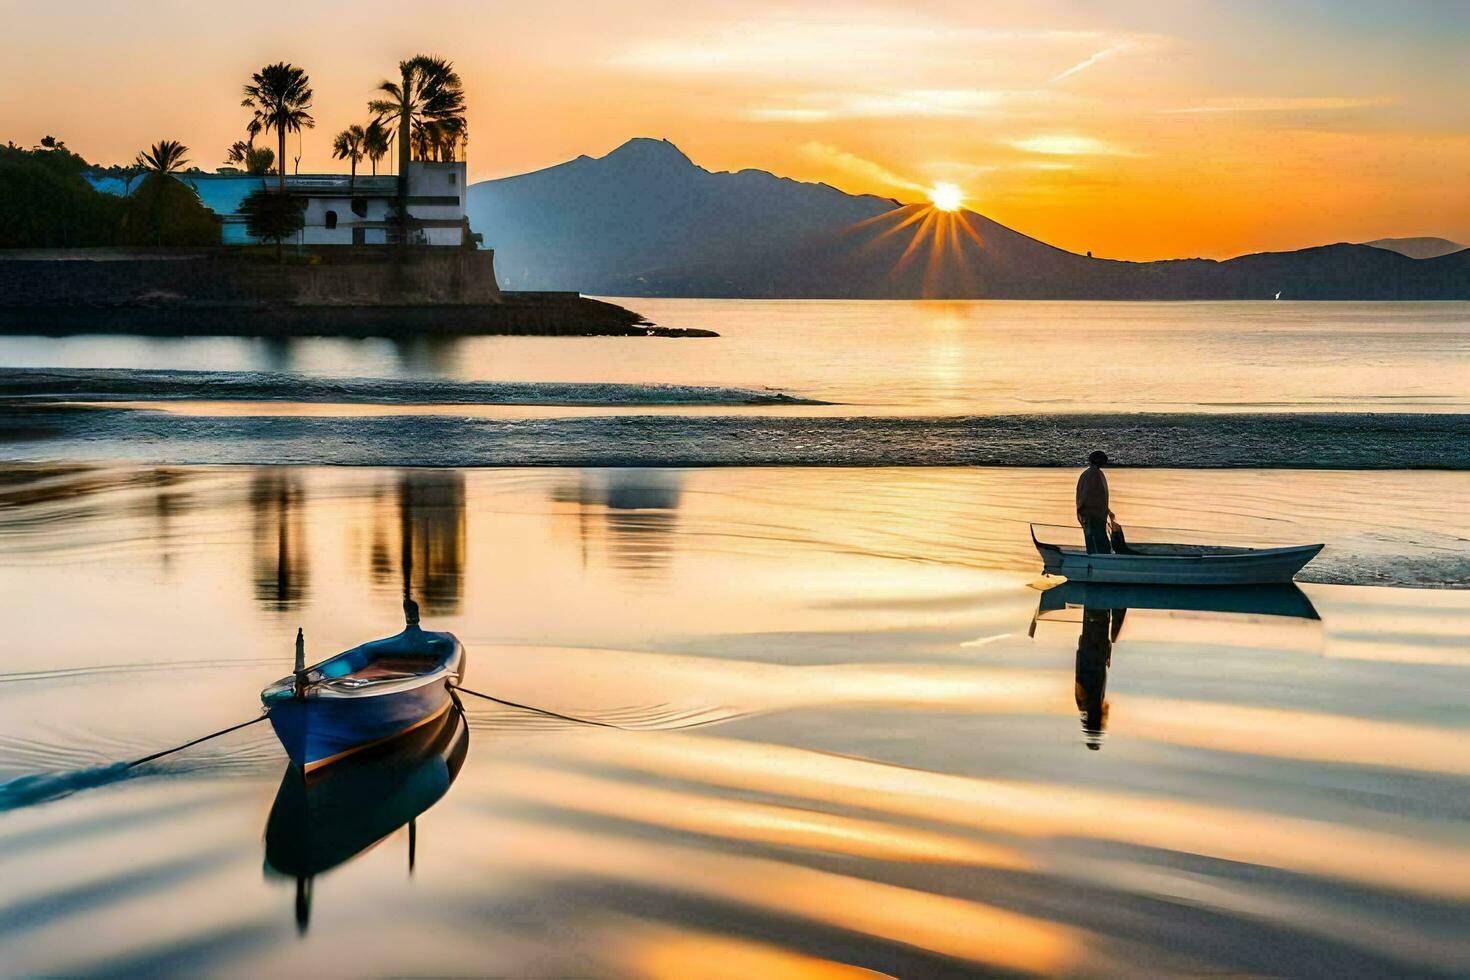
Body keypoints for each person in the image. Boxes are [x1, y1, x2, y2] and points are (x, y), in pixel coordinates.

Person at [1076, 450, 1115, 554]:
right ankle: (1099, 557)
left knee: (1094, 537)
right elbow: (1088, 494)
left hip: (1093, 513)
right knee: (1097, 537)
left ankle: (1096, 554)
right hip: (1093, 514)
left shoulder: (1089, 473)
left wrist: (1108, 511)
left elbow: (1098, 496)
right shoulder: (1094, 474)